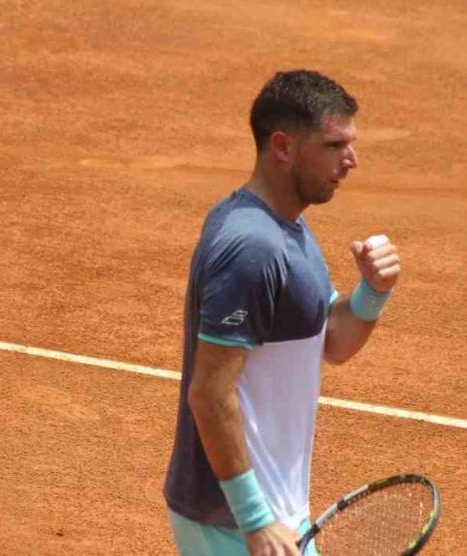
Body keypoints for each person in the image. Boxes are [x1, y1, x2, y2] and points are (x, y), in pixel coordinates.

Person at [163, 70, 401, 556]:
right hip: (233, 523)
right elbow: (210, 394)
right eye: (335, 145)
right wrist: (255, 521)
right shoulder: (252, 247)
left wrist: (372, 293)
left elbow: (332, 341)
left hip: (275, 515)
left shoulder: (288, 229)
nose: (351, 161)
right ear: (283, 147)